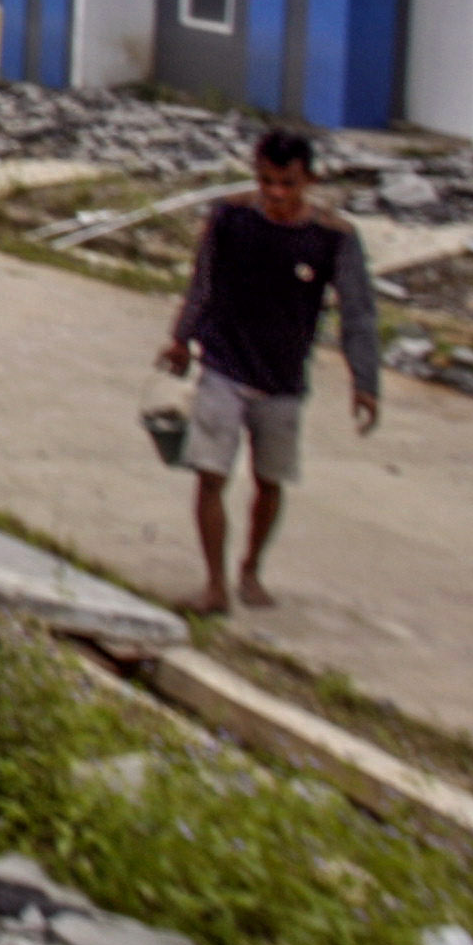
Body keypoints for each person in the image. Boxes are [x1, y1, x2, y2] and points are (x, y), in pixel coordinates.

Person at [154, 126, 380, 614]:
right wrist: (181, 337)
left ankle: (251, 568)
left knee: (269, 480)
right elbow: (203, 282)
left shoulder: (333, 238)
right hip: (223, 363)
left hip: (282, 378)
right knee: (210, 474)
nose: (276, 195)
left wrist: (365, 382)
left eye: (288, 184)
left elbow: (357, 313)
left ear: (310, 181)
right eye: (267, 182)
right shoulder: (231, 218)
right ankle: (214, 585)